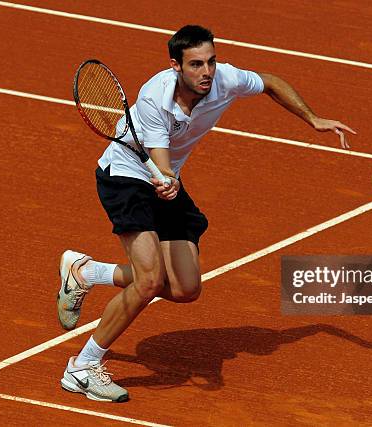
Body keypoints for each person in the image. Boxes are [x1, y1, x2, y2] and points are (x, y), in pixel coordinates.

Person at [57, 25, 356, 402]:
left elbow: (270, 82)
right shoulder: (154, 98)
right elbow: (161, 164)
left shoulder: (225, 80)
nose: (207, 72)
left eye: (210, 62)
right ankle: (82, 367)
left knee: (185, 288)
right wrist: (167, 180)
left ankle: (85, 272)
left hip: (164, 177)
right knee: (149, 282)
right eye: (196, 64)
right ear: (176, 67)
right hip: (126, 177)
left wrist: (313, 119)